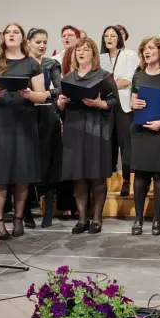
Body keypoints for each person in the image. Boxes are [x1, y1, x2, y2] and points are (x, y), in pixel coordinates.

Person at [0, 22, 47, 240]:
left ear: (22, 38)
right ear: (3, 37)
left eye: (16, 32)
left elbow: (42, 95)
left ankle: (18, 218)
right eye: (8, 32)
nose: (11, 35)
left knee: (22, 173)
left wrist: (29, 94)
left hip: (23, 121)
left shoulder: (31, 64)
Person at [58, 38, 118, 234]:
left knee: (96, 175)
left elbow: (114, 101)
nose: (81, 53)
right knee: (79, 177)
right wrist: (60, 103)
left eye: (85, 50)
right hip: (74, 128)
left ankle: (97, 218)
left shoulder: (104, 76)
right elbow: (59, 105)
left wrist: (100, 104)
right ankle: (82, 219)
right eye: (78, 50)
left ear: (93, 54)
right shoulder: (68, 78)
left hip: (96, 128)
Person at [129, 37, 160, 236]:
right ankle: (138, 219)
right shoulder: (138, 76)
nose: (146, 52)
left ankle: (157, 220)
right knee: (140, 176)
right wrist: (134, 104)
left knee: (159, 176)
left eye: (150, 48)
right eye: (144, 49)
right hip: (140, 130)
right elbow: (133, 101)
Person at [28, 28, 66, 227]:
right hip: (26, 116)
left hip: (47, 116)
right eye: (38, 42)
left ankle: (48, 212)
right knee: (26, 163)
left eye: (45, 42)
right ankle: (25, 212)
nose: (42, 46)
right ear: (28, 43)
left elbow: (61, 88)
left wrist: (44, 94)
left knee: (50, 162)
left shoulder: (51, 64)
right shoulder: (22, 63)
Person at [100, 26, 139, 197]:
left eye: (113, 36)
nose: (109, 38)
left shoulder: (129, 55)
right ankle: (106, 180)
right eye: (106, 36)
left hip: (123, 104)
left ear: (119, 39)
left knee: (125, 144)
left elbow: (129, 80)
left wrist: (110, 86)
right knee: (107, 143)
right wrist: (115, 83)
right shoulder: (101, 58)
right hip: (106, 105)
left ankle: (126, 181)